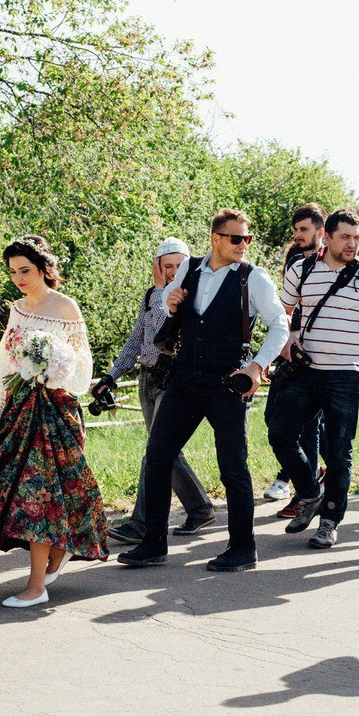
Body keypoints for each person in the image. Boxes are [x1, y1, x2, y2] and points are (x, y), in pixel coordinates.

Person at [117, 209, 289, 573]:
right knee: (159, 454)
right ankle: (153, 543)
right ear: (216, 238)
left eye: (247, 239)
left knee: (233, 467)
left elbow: (280, 326)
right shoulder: (189, 267)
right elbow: (165, 304)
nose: (244, 245)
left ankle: (243, 548)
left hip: (227, 384)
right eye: (236, 238)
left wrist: (257, 366)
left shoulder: (253, 278)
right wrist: (172, 300)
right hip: (185, 379)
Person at [0, 236, 108, 607]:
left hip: (55, 410)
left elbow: (83, 367)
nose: (18, 278)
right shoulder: (17, 308)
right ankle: (54, 556)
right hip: (21, 408)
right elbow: (5, 362)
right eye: (13, 271)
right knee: (18, 491)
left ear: (43, 269)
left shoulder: (65, 307)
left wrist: (53, 365)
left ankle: (36, 586)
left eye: (25, 270)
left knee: (42, 493)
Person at [267, 208, 359, 549]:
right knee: (280, 433)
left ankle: (329, 522)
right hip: (304, 371)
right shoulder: (302, 268)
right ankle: (309, 493)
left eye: (357, 238)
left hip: (346, 375)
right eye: (345, 237)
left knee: (339, 452)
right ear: (328, 237)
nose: (352, 244)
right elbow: (282, 315)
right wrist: (286, 341)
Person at [97, 238, 217, 546]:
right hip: (147, 379)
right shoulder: (151, 296)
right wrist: (111, 376)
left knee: (156, 450)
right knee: (165, 451)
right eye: (167, 266)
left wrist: (169, 291)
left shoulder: (195, 297)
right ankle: (200, 508)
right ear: (158, 267)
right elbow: (136, 340)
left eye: (181, 266)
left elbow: (171, 326)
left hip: (176, 382)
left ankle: (143, 523)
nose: (174, 272)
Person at [264, 204, 327, 518]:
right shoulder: (295, 259)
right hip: (291, 348)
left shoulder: (330, 263)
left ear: (320, 230)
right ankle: (309, 483)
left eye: (304, 230)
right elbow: (285, 308)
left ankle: (308, 491)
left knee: (309, 427)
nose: (297, 235)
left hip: (317, 355)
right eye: (296, 230)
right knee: (272, 418)